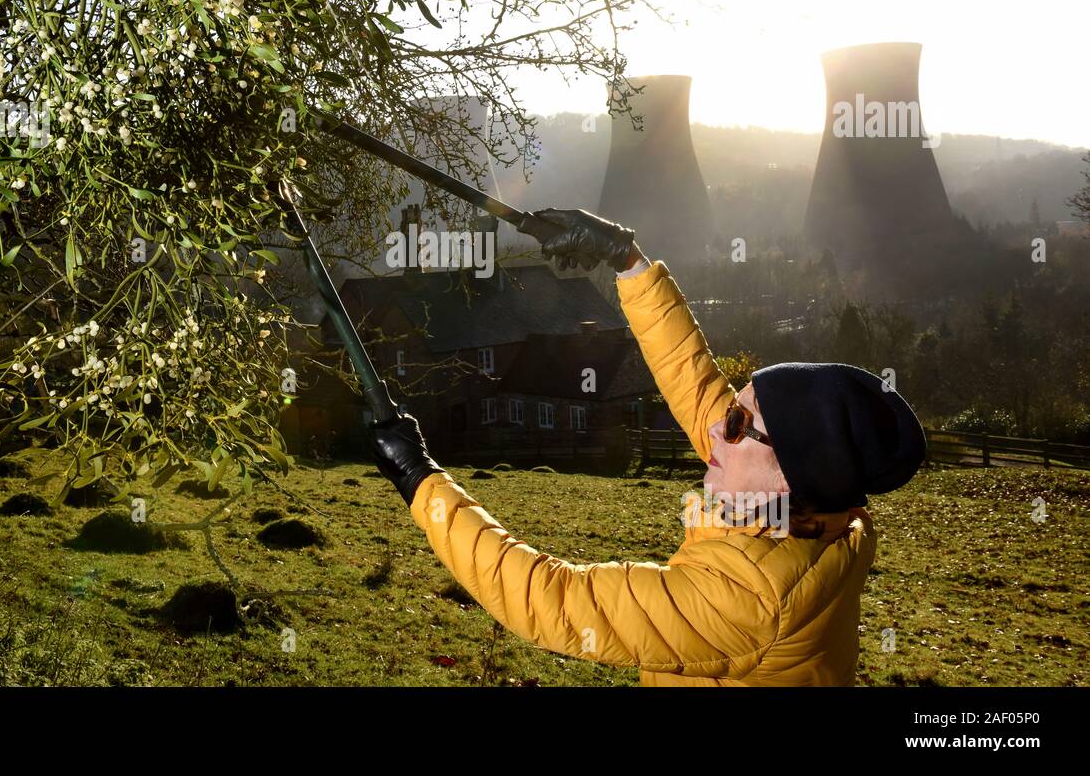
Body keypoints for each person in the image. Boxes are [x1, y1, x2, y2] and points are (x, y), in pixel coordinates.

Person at [370, 208, 926, 686]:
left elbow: (552, 598)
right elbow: (695, 382)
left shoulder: (750, 605)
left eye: (735, 423)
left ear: (787, 477)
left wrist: (422, 482)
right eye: (734, 406)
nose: (713, 427)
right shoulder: (826, 514)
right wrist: (627, 258)